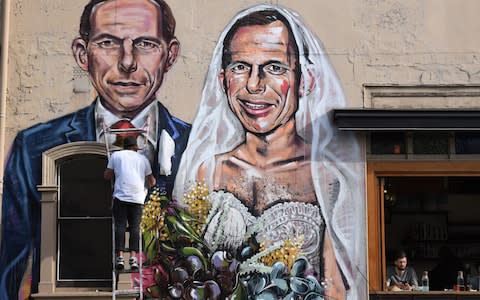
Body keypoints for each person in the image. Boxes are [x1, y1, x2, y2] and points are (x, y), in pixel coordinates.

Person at [0, 0, 190, 298]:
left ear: (170, 55)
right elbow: (10, 266)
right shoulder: (34, 147)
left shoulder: (199, 145)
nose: (127, 62)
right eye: (108, 43)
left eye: (145, 44)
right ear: (82, 54)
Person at [174, 5, 365, 299]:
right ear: (222, 80)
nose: (254, 85)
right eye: (240, 67)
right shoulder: (207, 172)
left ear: (305, 81)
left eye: (274, 68)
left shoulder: (326, 177)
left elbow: (337, 289)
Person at [104, 136, 156, 270]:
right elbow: (151, 181)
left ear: (124, 146)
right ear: (135, 148)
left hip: (121, 196)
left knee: (120, 226)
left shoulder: (116, 155)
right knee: (135, 228)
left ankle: (120, 257)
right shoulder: (142, 159)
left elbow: (107, 175)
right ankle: (133, 257)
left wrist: (114, 172)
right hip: (137, 198)